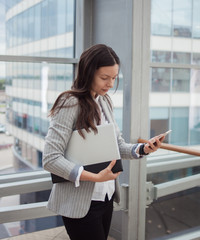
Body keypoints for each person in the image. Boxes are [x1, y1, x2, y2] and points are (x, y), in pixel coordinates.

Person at [43, 44, 164, 240]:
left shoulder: (105, 101)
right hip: (80, 203)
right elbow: (50, 159)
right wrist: (94, 177)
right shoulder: (69, 103)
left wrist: (143, 148)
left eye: (114, 78)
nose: (110, 84)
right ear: (88, 73)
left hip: (105, 197)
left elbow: (116, 146)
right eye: (104, 78)